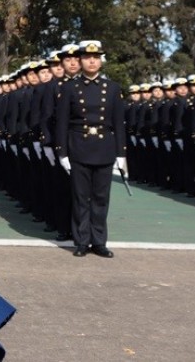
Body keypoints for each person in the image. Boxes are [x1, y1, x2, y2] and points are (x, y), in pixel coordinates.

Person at [56, 40, 125, 258]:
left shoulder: (112, 88)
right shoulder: (69, 88)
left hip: (104, 147)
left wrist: (121, 153)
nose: (92, 61)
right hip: (79, 147)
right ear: (81, 61)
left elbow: (119, 123)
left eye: (96, 58)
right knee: (80, 197)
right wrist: (62, 152)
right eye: (87, 58)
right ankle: (81, 241)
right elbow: (62, 123)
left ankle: (99, 242)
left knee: (101, 198)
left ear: (101, 61)